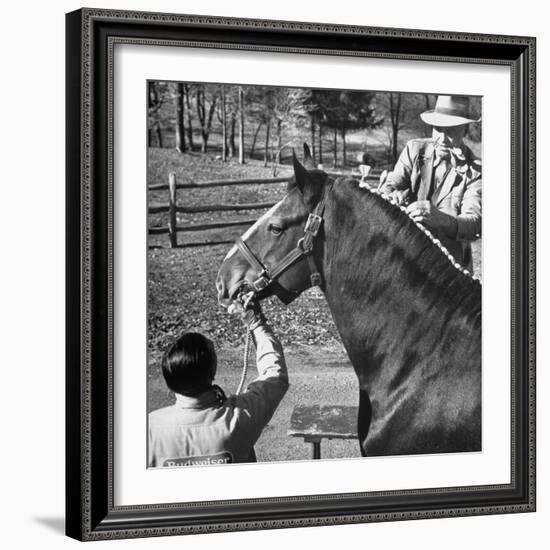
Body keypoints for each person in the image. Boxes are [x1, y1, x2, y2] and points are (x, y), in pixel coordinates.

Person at [148, 302, 288, 468]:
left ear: (169, 379)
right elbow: (274, 374)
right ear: (212, 370)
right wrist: (256, 323)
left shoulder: (150, 428)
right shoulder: (241, 417)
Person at [380, 95, 481, 271]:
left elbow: (474, 223)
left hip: (449, 267)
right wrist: (391, 197)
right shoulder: (414, 150)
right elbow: (390, 185)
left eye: (450, 131)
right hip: (406, 257)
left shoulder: (476, 170)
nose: (442, 138)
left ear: (465, 130)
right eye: (438, 129)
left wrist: (441, 219)